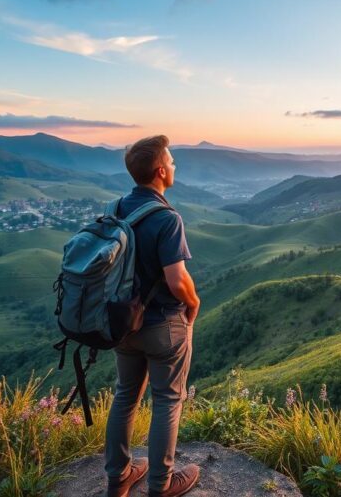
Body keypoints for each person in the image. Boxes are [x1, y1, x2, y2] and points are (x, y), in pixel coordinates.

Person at [105, 135, 202, 497]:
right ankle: (162, 484)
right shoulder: (167, 218)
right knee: (166, 400)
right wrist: (193, 303)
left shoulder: (115, 208)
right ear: (160, 171)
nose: (175, 166)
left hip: (121, 324)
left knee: (125, 396)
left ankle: (119, 477)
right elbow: (176, 279)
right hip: (162, 325)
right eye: (172, 162)